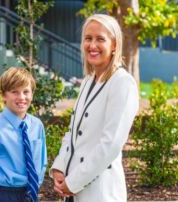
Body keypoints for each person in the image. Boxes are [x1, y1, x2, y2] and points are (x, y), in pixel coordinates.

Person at [50, 14, 139, 202]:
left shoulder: (123, 83)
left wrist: (73, 182)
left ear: (114, 44)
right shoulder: (88, 81)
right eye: (88, 38)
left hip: (101, 193)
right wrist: (59, 166)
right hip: (75, 189)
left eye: (100, 39)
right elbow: (74, 131)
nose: (92, 45)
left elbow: (110, 145)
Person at [0, 67, 47, 202]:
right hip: (3, 195)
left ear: (32, 93)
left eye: (26, 91)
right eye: (14, 92)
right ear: (3, 95)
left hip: (30, 194)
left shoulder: (37, 126)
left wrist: (34, 186)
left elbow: (42, 162)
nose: (21, 97)